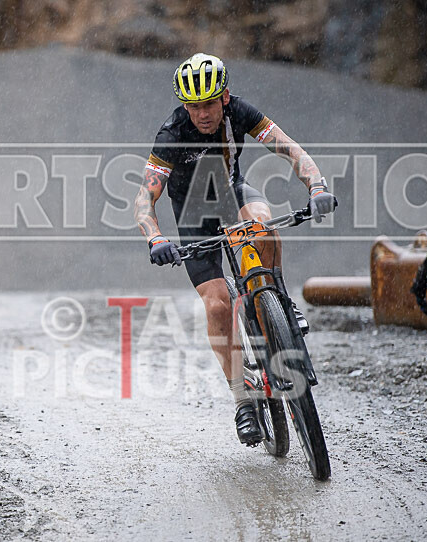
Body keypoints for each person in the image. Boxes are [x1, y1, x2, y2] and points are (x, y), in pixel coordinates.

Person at [133, 53, 337, 446]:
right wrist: (156, 238)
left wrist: (317, 187)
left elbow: (290, 149)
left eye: (209, 103)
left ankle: (277, 298)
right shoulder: (172, 134)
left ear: (224, 97)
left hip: (232, 194)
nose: (202, 114)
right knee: (217, 304)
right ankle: (243, 401)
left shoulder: (240, 111)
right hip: (193, 211)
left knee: (262, 224)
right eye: (193, 106)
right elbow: (145, 198)